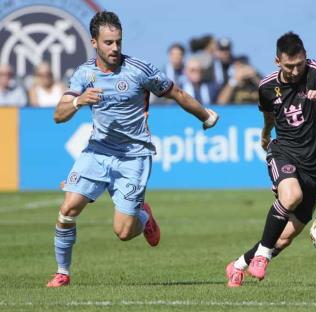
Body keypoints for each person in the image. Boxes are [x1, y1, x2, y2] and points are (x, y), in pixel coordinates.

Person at [46, 11, 218, 288]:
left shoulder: (139, 70)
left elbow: (177, 93)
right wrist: (78, 101)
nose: (115, 48)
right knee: (67, 209)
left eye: (118, 42)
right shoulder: (84, 74)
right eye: (108, 43)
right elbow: (58, 115)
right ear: (94, 42)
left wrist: (205, 116)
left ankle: (144, 216)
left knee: (124, 232)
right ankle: (62, 273)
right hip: (98, 152)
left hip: (133, 157)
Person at [225, 31, 316, 287]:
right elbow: (269, 116)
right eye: (290, 66)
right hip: (285, 151)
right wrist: (266, 134)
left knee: (285, 237)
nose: (296, 70)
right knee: (291, 196)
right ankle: (263, 257)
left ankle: (238, 265)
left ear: (305, 57)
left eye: (300, 63)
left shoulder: (315, 71)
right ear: (277, 61)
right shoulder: (267, 87)